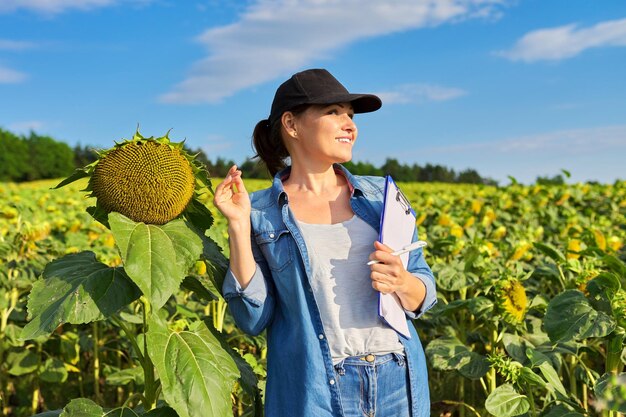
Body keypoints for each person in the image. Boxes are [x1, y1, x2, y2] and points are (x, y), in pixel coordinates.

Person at [213, 69, 437, 417]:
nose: (350, 124)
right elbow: (252, 319)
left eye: (350, 114)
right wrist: (239, 226)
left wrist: (403, 282)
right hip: (319, 387)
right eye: (333, 112)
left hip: (398, 377)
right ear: (291, 124)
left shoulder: (381, 196)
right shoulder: (260, 213)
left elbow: (424, 293)